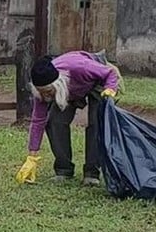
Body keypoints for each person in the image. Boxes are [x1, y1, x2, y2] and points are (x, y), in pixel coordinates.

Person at [15, 51, 121, 186]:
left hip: (97, 81)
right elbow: (38, 121)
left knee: (97, 123)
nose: (46, 96)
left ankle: (92, 173)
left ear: (58, 84)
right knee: (54, 121)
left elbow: (109, 73)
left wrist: (110, 89)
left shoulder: (80, 67)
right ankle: (63, 170)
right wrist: (32, 156)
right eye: (42, 93)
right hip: (70, 89)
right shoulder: (42, 92)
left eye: (48, 92)